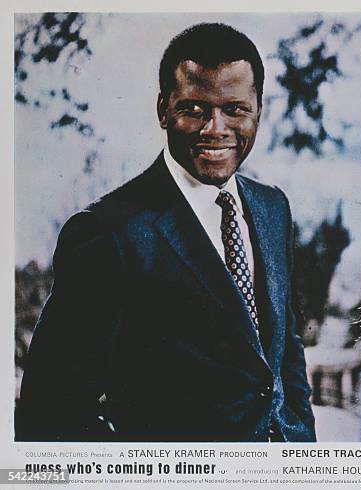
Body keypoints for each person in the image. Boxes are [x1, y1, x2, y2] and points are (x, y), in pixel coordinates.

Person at [17, 23, 315, 442]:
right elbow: (49, 413)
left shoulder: (272, 209)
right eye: (194, 109)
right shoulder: (107, 233)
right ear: (163, 110)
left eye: (234, 109)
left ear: (258, 109)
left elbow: (284, 354)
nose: (215, 128)